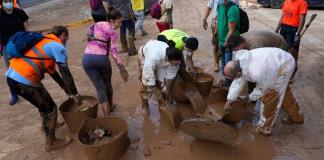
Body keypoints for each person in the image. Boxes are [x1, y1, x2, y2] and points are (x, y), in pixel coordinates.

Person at [6, 26, 80, 151]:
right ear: (63, 35)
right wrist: (75, 94)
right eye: (66, 38)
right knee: (50, 109)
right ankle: (50, 143)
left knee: (44, 103)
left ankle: (47, 126)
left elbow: (53, 72)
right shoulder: (57, 46)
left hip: (13, 77)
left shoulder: (43, 41)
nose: (66, 41)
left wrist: (64, 88)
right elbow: (65, 73)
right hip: (24, 80)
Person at [224, 48, 304, 136]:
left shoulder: (256, 72)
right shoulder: (239, 62)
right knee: (284, 91)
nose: (234, 79)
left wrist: (249, 98)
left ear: (238, 72)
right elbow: (238, 81)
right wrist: (230, 99)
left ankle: (265, 128)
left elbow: (264, 88)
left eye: (234, 76)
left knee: (271, 97)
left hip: (283, 66)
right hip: (274, 61)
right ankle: (296, 117)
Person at [83, 9, 129, 116]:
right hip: (101, 59)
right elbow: (113, 51)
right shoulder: (112, 32)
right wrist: (121, 67)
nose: (120, 24)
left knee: (99, 88)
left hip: (87, 59)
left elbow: (89, 34)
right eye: (119, 22)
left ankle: (107, 117)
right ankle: (111, 107)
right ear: (112, 21)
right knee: (107, 84)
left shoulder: (97, 24)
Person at [138, 40, 182, 115]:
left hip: (161, 62)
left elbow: (169, 77)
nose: (177, 64)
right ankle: (144, 106)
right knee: (147, 87)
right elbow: (148, 73)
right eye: (174, 63)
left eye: (177, 63)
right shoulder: (154, 57)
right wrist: (152, 86)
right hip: (145, 56)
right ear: (169, 59)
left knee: (162, 84)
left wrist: (167, 89)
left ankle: (162, 103)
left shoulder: (175, 60)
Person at [0, 0, 29, 105]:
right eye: (5, 1)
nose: (8, 3)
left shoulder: (19, 12)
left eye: (10, 0)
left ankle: (30, 90)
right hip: (8, 46)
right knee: (11, 71)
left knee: (26, 67)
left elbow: (26, 28)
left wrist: (28, 41)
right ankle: (14, 94)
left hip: (21, 43)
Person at [275, 0, 308, 81]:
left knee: (293, 53)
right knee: (282, 50)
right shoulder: (286, 1)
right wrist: (277, 29)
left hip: (293, 30)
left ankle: (293, 72)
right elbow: (283, 16)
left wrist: (297, 33)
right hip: (284, 28)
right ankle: (283, 70)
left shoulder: (302, 2)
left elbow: (302, 19)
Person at [217, 0, 240, 87]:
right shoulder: (220, 6)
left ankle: (230, 82)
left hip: (229, 41)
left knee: (228, 63)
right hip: (221, 40)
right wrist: (215, 34)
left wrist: (225, 44)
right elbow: (219, 21)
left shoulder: (232, 9)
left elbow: (231, 30)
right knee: (222, 61)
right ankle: (225, 79)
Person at [203, 0, 220, 72]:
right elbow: (209, 7)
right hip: (215, 21)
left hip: (228, 21)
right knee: (216, 43)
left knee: (227, 43)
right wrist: (204, 19)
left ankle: (226, 62)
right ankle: (216, 63)